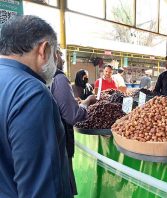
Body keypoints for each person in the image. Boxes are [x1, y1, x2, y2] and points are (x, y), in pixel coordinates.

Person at [0, 15, 72, 197]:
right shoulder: (32, 93)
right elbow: (40, 188)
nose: (56, 62)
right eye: (55, 54)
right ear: (44, 49)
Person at [50, 48, 96, 195]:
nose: (63, 60)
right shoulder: (59, 78)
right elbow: (73, 116)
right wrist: (87, 102)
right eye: (60, 56)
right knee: (64, 185)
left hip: (50, 145)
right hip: (60, 143)